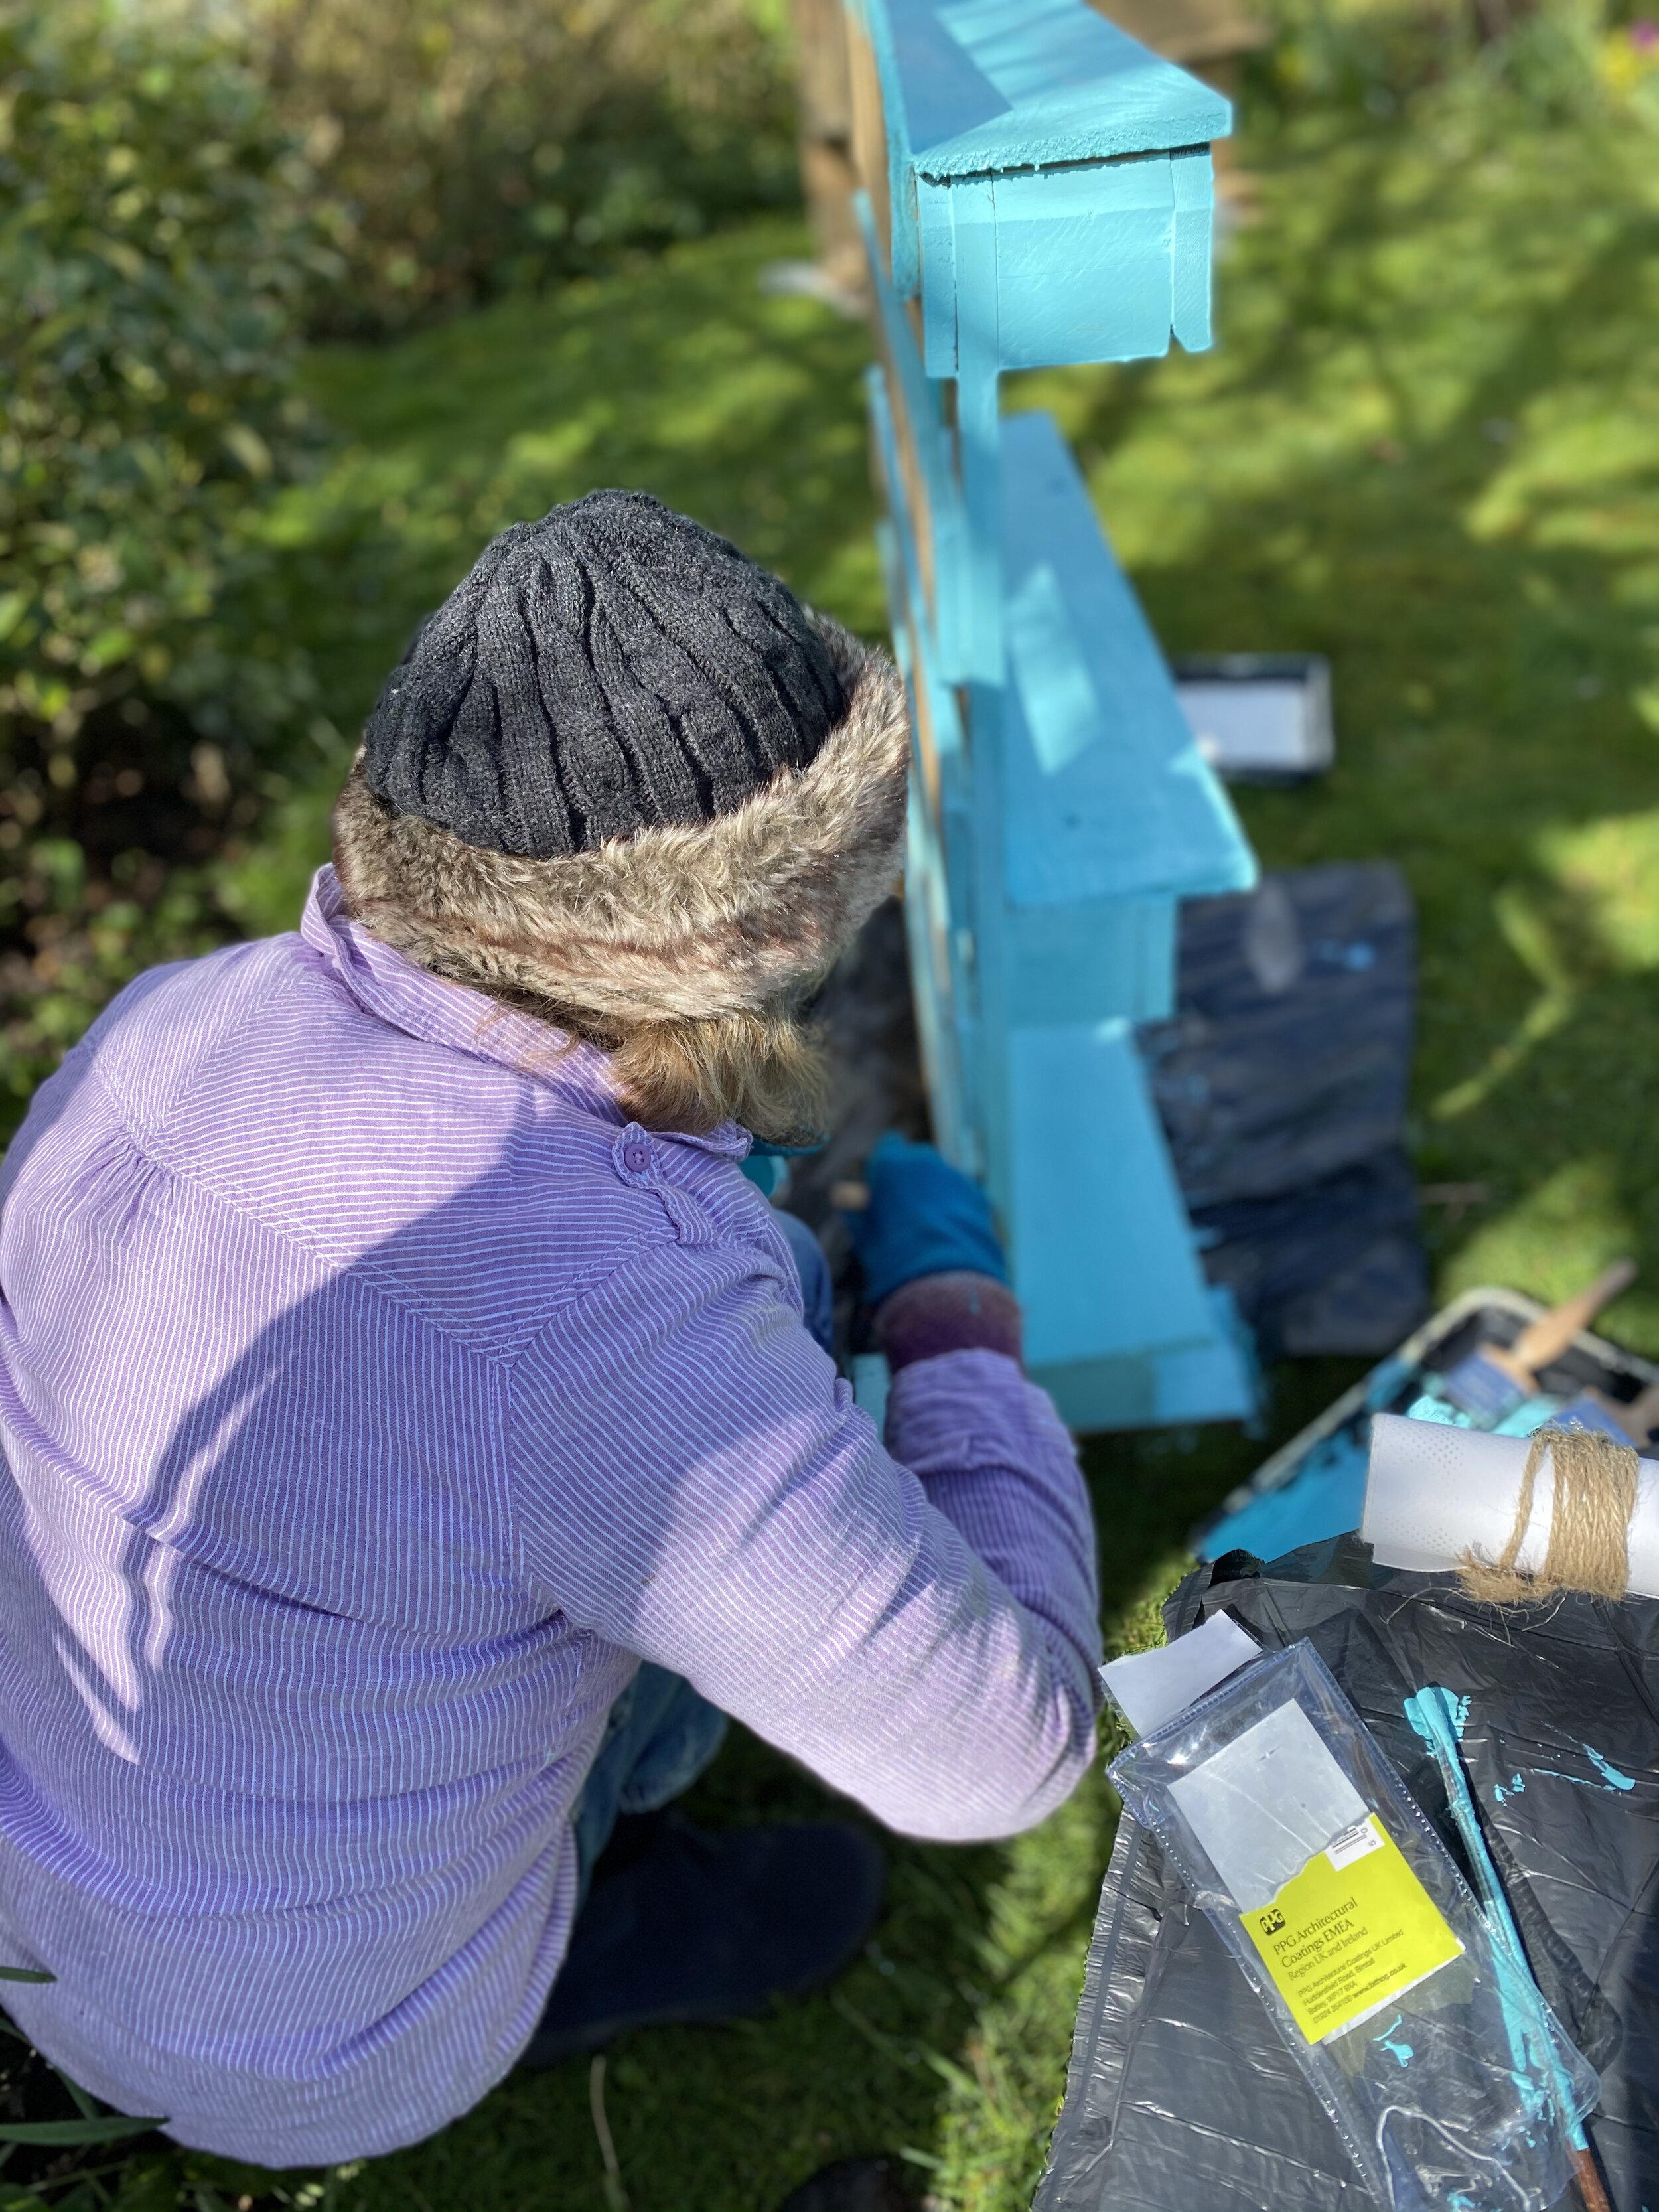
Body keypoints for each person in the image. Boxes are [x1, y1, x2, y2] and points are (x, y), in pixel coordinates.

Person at [0, 492, 1101, 2167]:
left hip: (48, 1911)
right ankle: (578, 1933)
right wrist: (959, 1340)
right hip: (310, 2049)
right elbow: (1005, 1756)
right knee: (728, 1579)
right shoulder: (601, 1309)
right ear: (758, 926)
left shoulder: (181, 1018)